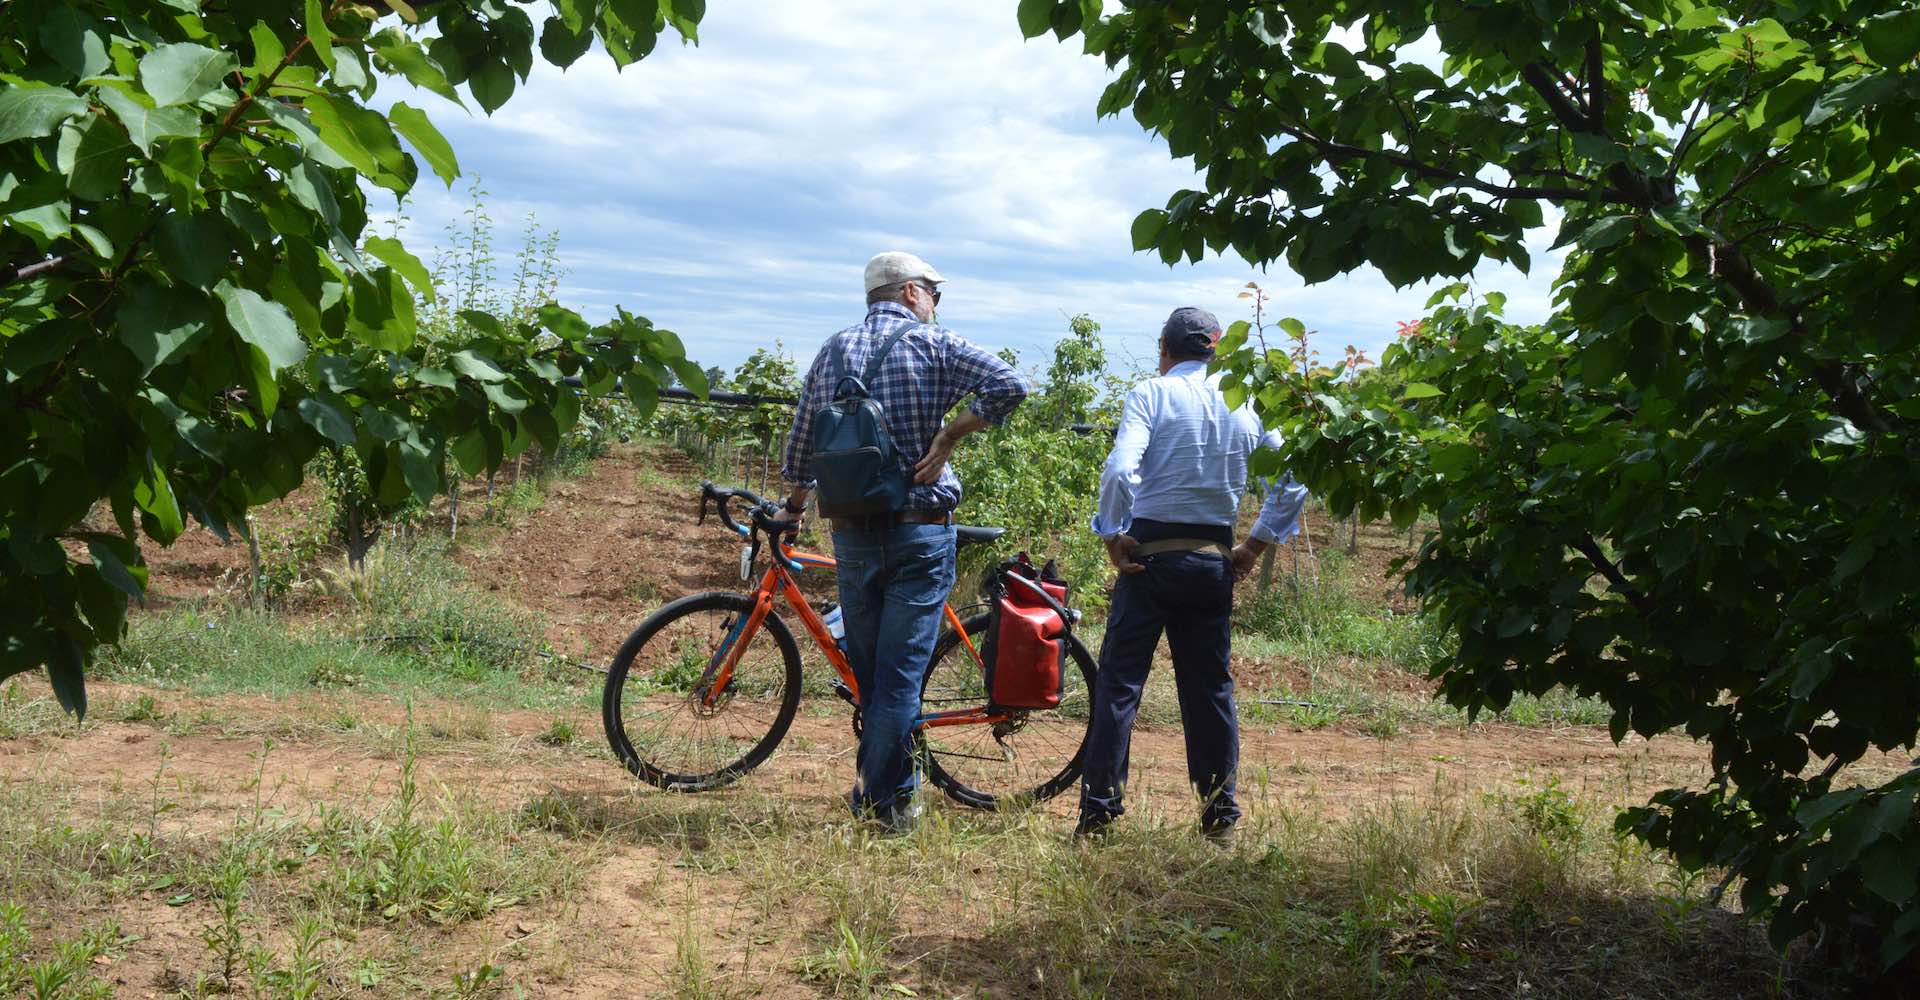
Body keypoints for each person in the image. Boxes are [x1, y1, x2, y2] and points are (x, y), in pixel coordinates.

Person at [776, 251, 1030, 833]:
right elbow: (1012, 384)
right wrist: (949, 435)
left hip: (854, 538)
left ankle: (893, 794)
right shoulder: (934, 346)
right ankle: (883, 802)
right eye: (934, 295)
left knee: (872, 673)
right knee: (901, 676)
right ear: (913, 293)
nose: (936, 306)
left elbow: (800, 444)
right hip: (919, 533)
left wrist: (793, 510)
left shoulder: (835, 349)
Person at [1078, 306, 1306, 844]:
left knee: (1119, 687)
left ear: (1165, 349)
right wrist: (1254, 544)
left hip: (1148, 560)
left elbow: (1119, 469)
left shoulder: (1151, 395)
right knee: (1209, 692)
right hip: (1211, 561)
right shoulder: (1245, 402)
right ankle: (1219, 819)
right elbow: (1293, 480)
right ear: (1216, 351)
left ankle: (1098, 814)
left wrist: (1112, 535)